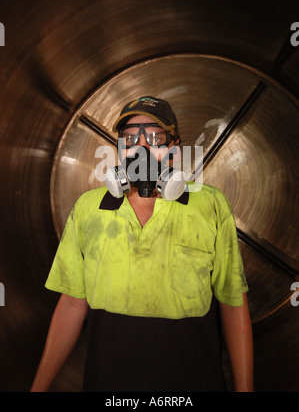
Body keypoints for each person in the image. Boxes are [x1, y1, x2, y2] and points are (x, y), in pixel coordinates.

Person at [30, 96, 254, 392]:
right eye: (129, 137)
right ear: (119, 148)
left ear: (174, 146)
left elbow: (233, 302)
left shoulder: (210, 205)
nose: (142, 147)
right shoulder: (88, 208)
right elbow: (72, 303)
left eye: (155, 136)